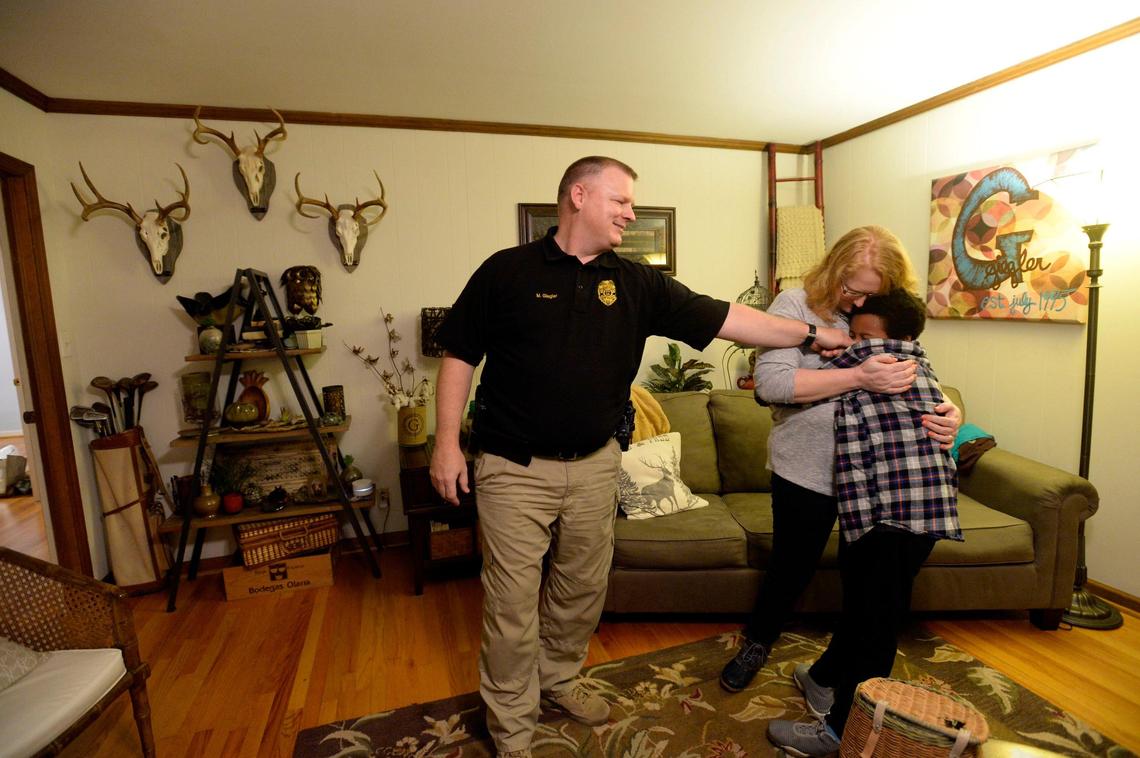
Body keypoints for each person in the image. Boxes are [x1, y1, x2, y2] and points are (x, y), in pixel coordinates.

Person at [428, 156, 858, 758]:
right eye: (621, 200)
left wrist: (814, 335)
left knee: (581, 590)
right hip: (512, 466)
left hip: (598, 463)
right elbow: (456, 356)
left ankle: (558, 680)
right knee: (511, 604)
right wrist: (446, 444)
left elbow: (732, 319)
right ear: (578, 196)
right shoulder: (507, 271)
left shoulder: (636, 283)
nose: (631, 212)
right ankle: (512, 726)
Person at [719, 226, 961, 697]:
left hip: (877, 476)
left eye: (869, 293)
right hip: (806, 468)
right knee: (792, 566)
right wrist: (858, 376)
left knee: (865, 584)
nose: (856, 302)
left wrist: (953, 413)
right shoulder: (794, 305)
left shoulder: (883, 309)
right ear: (834, 272)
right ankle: (758, 642)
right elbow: (771, 386)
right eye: (851, 290)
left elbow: (916, 370)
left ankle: (839, 672)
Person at [766, 288, 963, 755]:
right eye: (853, 335)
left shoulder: (883, 360)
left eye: (865, 337)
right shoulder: (914, 361)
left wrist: (814, 340)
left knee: (876, 623)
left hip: (901, 512)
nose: (856, 346)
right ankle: (824, 677)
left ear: (903, 340)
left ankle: (841, 731)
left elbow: (776, 385)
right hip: (881, 506)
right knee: (861, 603)